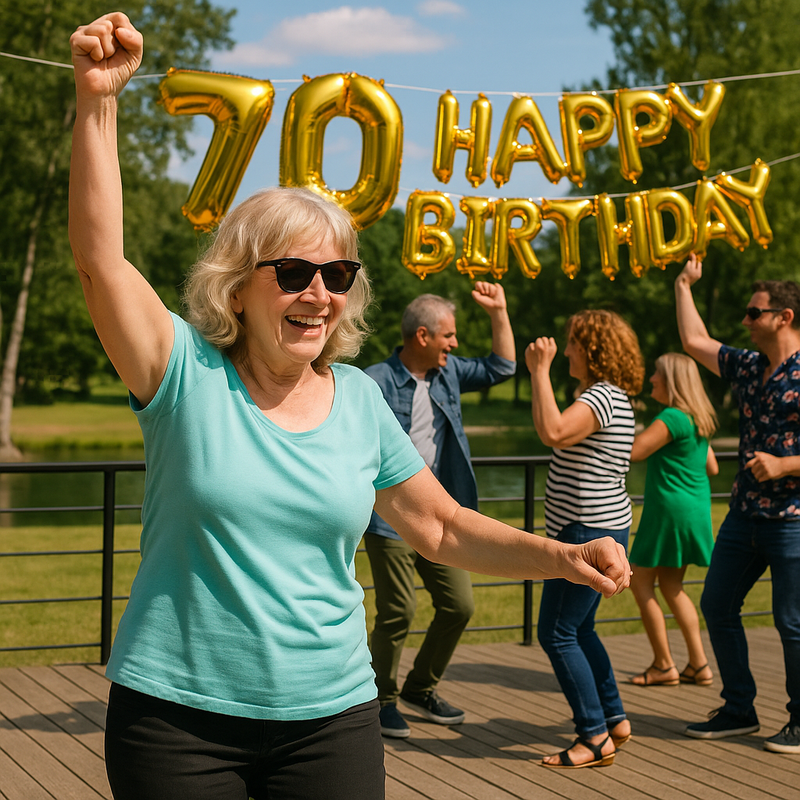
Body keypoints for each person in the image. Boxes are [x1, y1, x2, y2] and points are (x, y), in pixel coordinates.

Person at [70, 13, 632, 799]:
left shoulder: (362, 401)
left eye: (337, 275)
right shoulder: (182, 373)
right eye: (295, 270)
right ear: (238, 283)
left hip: (332, 719)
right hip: (177, 721)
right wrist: (97, 101)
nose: (318, 294)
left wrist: (562, 557)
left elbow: (440, 526)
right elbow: (100, 261)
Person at [363, 289, 516, 738]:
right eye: (448, 335)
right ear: (423, 335)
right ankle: (381, 700)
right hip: (388, 516)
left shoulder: (446, 373)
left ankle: (419, 687)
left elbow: (502, 367)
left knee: (459, 605)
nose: (454, 344)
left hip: (438, 516)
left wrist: (500, 312)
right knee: (398, 611)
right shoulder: (375, 382)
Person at [676, 252, 800, 754]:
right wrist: (684, 284)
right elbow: (694, 342)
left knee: (792, 622)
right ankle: (738, 708)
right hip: (744, 513)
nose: (745, 321)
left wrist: (786, 465)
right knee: (717, 604)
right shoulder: (749, 367)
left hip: (792, 520)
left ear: (783, 317)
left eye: (754, 313)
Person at [526, 309, 644, 769]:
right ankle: (614, 717)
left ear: (592, 349)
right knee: (580, 627)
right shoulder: (608, 397)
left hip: (587, 533)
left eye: (574, 342)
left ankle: (593, 735)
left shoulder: (601, 398)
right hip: (600, 527)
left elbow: (552, 431)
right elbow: (551, 431)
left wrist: (538, 370)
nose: (568, 349)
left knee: (556, 633)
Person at [628, 353, 719, 687]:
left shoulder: (672, 417)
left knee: (638, 580)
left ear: (672, 382)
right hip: (694, 508)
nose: (651, 378)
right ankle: (698, 664)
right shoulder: (699, 418)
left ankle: (664, 665)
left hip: (668, 511)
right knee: (671, 585)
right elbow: (713, 468)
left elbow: (635, 452)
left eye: (656, 374)